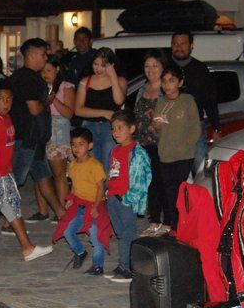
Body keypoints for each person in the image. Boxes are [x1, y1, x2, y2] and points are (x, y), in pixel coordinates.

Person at [0, 78, 53, 263]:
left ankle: (27, 248)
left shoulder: (7, 117)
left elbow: (7, 146)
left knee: (13, 207)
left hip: (4, 174)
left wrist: (9, 167)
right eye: (1, 98)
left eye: (9, 99)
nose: (6, 103)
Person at [9, 38, 65, 224]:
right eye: (42, 54)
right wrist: (47, 102)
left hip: (33, 138)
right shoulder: (27, 78)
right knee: (15, 181)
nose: (45, 57)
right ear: (31, 55)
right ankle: (7, 221)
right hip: (27, 138)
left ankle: (61, 213)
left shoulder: (25, 76)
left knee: (42, 176)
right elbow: (34, 109)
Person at [53, 128, 111, 275]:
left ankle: (98, 265)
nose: (76, 148)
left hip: (93, 205)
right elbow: (74, 184)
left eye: (81, 144)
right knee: (67, 231)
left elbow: (100, 188)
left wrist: (97, 206)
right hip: (79, 205)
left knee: (95, 237)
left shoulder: (95, 165)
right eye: (74, 144)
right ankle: (80, 252)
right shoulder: (72, 165)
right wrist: (71, 199)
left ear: (90, 146)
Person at [153, 65, 201, 232]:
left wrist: (186, 145)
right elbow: (159, 131)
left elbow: (195, 128)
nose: (167, 85)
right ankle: (175, 227)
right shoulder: (160, 102)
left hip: (183, 155)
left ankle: (185, 225)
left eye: (171, 81)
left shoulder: (187, 101)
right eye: (164, 81)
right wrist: (157, 126)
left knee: (181, 191)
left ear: (180, 83)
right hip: (165, 155)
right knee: (170, 193)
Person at [105, 110, 151, 283]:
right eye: (113, 128)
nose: (115, 132)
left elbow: (143, 177)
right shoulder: (115, 150)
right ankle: (123, 264)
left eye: (120, 128)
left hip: (126, 199)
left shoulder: (136, 152)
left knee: (127, 234)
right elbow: (112, 173)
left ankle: (128, 268)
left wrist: (131, 198)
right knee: (120, 233)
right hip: (113, 199)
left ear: (132, 129)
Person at [170, 30, 220, 177]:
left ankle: (203, 198)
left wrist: (216, 127)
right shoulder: (164, 68)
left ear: (191, 46)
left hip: (195, 127)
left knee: (201, 169)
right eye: (175, 44)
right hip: (170, 129)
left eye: (183, 43)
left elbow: (209, 99)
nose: (179, 47)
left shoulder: (200, 69)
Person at [75, 47, 128, 172]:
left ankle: (109, 192)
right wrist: (104, 113)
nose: (98, 68)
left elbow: (119, 101)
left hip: (110, 129)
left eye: (103, 65)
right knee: (91, 169)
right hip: (89, 127)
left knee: (110, 167)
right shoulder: (85, 81)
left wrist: (113, 76)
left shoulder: (120, 80)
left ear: (111, 65)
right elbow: (78, 110)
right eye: (95, 64)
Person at [133, 49, 169, 237]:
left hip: (162, 144)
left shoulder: (167, 90)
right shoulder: (142, 89)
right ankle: (154, 220)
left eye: (155, 66)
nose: (151, 70)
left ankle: (167, 222)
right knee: (149, 183)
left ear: (163, 67)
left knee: (161, 183)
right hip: (144, 144)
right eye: (147, 66)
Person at [39, 55, 75, 214]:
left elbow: (69, 113)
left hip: (58, 132)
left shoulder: (66, 87)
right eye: (42, 71)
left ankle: (61, 209)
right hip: (42, 129)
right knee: (41, 173)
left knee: (59, 174)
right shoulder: (38, 86)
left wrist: (52, 98)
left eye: (48, 70)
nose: (45, 74)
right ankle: (43, 210)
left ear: (57, 69)